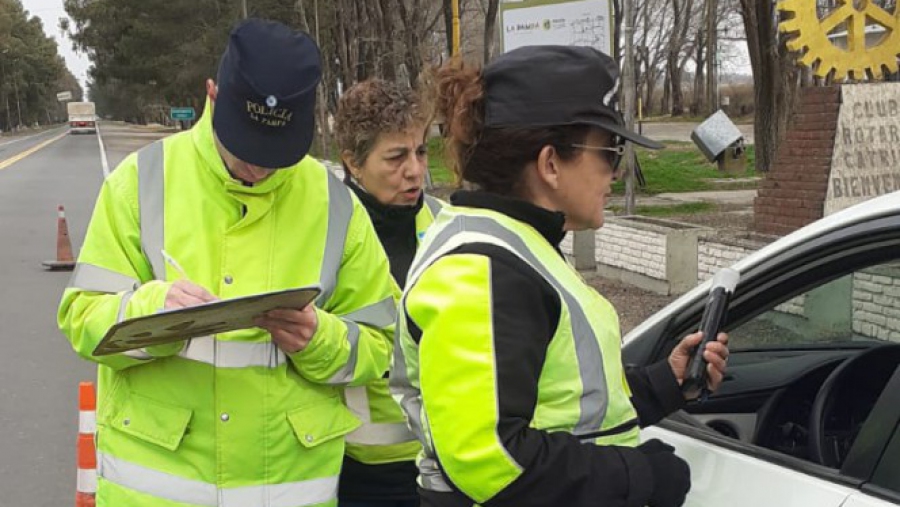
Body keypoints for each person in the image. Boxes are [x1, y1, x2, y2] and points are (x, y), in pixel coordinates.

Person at [58, 19, 397, 507]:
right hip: (157, 488)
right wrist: (153, 311)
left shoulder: (335, 204)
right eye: (246, 145)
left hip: (288, 488)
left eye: (275, 152)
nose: (258, 168)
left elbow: (379, 344)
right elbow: (82, 318)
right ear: (212, 94)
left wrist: (319, 340)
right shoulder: (139, 183)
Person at [390, 45, 731, 507]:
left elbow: (561, 399)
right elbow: (489, 456)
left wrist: (662, 383)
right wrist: (639, 476)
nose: (617, 171)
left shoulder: (518, 248)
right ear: (550, 164)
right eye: (611, 151)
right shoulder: (483, 269)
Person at [333, 78, 442, 507]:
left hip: (445, 464)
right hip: (356, 475)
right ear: (353, 162)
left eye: (420, 151)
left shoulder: (445, 224)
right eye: (396, 156)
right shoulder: (324, 234)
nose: (415, 170)